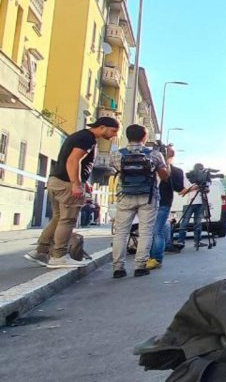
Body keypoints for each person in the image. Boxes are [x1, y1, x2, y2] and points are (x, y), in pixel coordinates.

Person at [26, 117, 120, 268]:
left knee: (57, 218)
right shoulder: (87, 139)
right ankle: (59, 256)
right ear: (102, 127)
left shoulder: (79, 136)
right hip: (67, 184)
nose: (114, 135)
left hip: (56, 180)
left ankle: (40, 251)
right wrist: (76, 184)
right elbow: (73, 160)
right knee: (67, 220)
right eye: (113, 131)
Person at [109, 125, 170, 278]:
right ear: (144, 137)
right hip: (148, 197)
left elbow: (116, 171)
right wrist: (166, 159)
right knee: (145, 232)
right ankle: (140, 266)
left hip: (125, 195)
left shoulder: (116, 155)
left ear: (127, 136)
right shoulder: (154, 155)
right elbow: (164, 176)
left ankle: (118, 268)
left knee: (121, 233)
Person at [149, 145, 185, 268]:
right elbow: (180, 189)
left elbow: (179, 188)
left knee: (154, 231)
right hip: (158, 202)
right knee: (158, 230)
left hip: (156, 202)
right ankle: (156, 257)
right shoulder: (175, 171)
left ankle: (154, 257)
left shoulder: (174, 170)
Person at [174, 164, 210, 249]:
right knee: (185, 223)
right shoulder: (188, 177)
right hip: (189, 202)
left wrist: (205, 188)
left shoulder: (204, 177)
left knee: (198, 223)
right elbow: (182, 191)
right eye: (199, 169)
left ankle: (198, 241)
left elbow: (207, 190)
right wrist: (196, 186)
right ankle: (180, 241)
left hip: (200, 202)